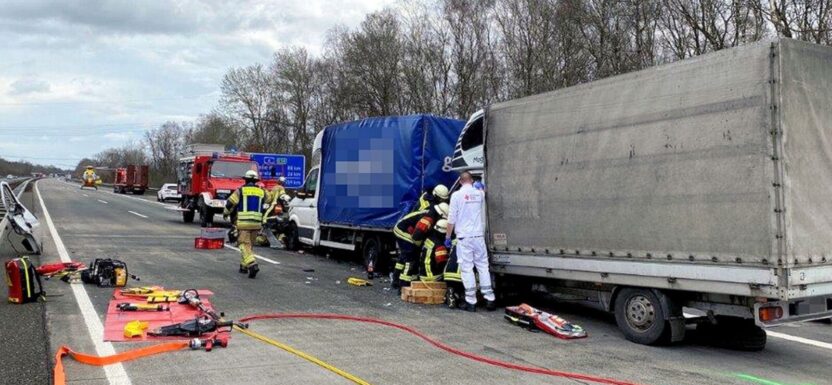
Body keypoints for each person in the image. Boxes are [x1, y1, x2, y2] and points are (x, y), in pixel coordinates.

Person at [446, 171, 495, 312]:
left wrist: (448, 237)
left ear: (460, 182)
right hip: (478, 237)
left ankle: (471, 301)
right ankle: (490, 299)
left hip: (464, 238)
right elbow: (483, 191)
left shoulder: (456, 195)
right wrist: (480, 187)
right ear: (472, 180)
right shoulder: (478, 194)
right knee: (483, 267)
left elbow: (451, 219)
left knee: (467, 268)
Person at [224, 170, 273, 279]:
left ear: (245, 180)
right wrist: (263, 188)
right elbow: (269, 199)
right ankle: (243, 266)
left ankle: (252, 264)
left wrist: (225, 213)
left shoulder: (240, 191)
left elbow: (230, 203)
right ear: (256, 181)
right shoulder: (261, 191)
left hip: (244, 223)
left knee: (242, 243)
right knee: (249, 245)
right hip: (257, 224)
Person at [391, 202, 449, 288]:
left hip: (403, 229)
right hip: (403, 231)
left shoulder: (431, 214)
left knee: (404, 256)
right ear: (440, 214)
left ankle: (396, 280)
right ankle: (403, 284)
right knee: (410, 259)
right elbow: (416, 237)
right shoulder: (428, 219)